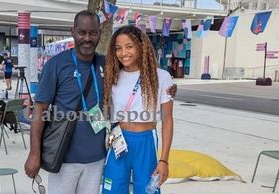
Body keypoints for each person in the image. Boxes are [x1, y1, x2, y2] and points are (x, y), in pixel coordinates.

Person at [25, 10, 177, 194]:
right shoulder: (60, 65)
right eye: (82, 32)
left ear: (99, 33)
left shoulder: (109, 66)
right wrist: (34, 153)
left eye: (93, 33)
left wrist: (167, 86)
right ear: (73, 32)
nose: (87, 38)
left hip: (100, 156)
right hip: (65, 155)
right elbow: (39, 109)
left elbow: (141, 74)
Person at [102, 25, 173, 194]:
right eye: (118, 48)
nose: (123, 53)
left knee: (147, 190)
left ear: (141, 46)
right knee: (112, 189)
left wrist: (164, 160)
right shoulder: (112, 77)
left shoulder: (161, 77)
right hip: (119, 141)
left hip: (146, 142)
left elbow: (168, 120)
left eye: (129, 46)